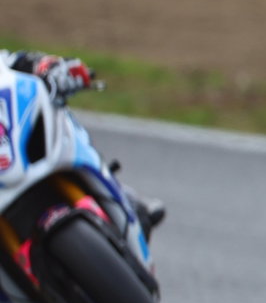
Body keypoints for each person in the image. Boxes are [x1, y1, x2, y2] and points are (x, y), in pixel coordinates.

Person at [1, 49, 165, 235]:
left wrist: (48, 67)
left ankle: (119, 191)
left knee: (52, 115)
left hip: (13, 155)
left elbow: (9, 63)